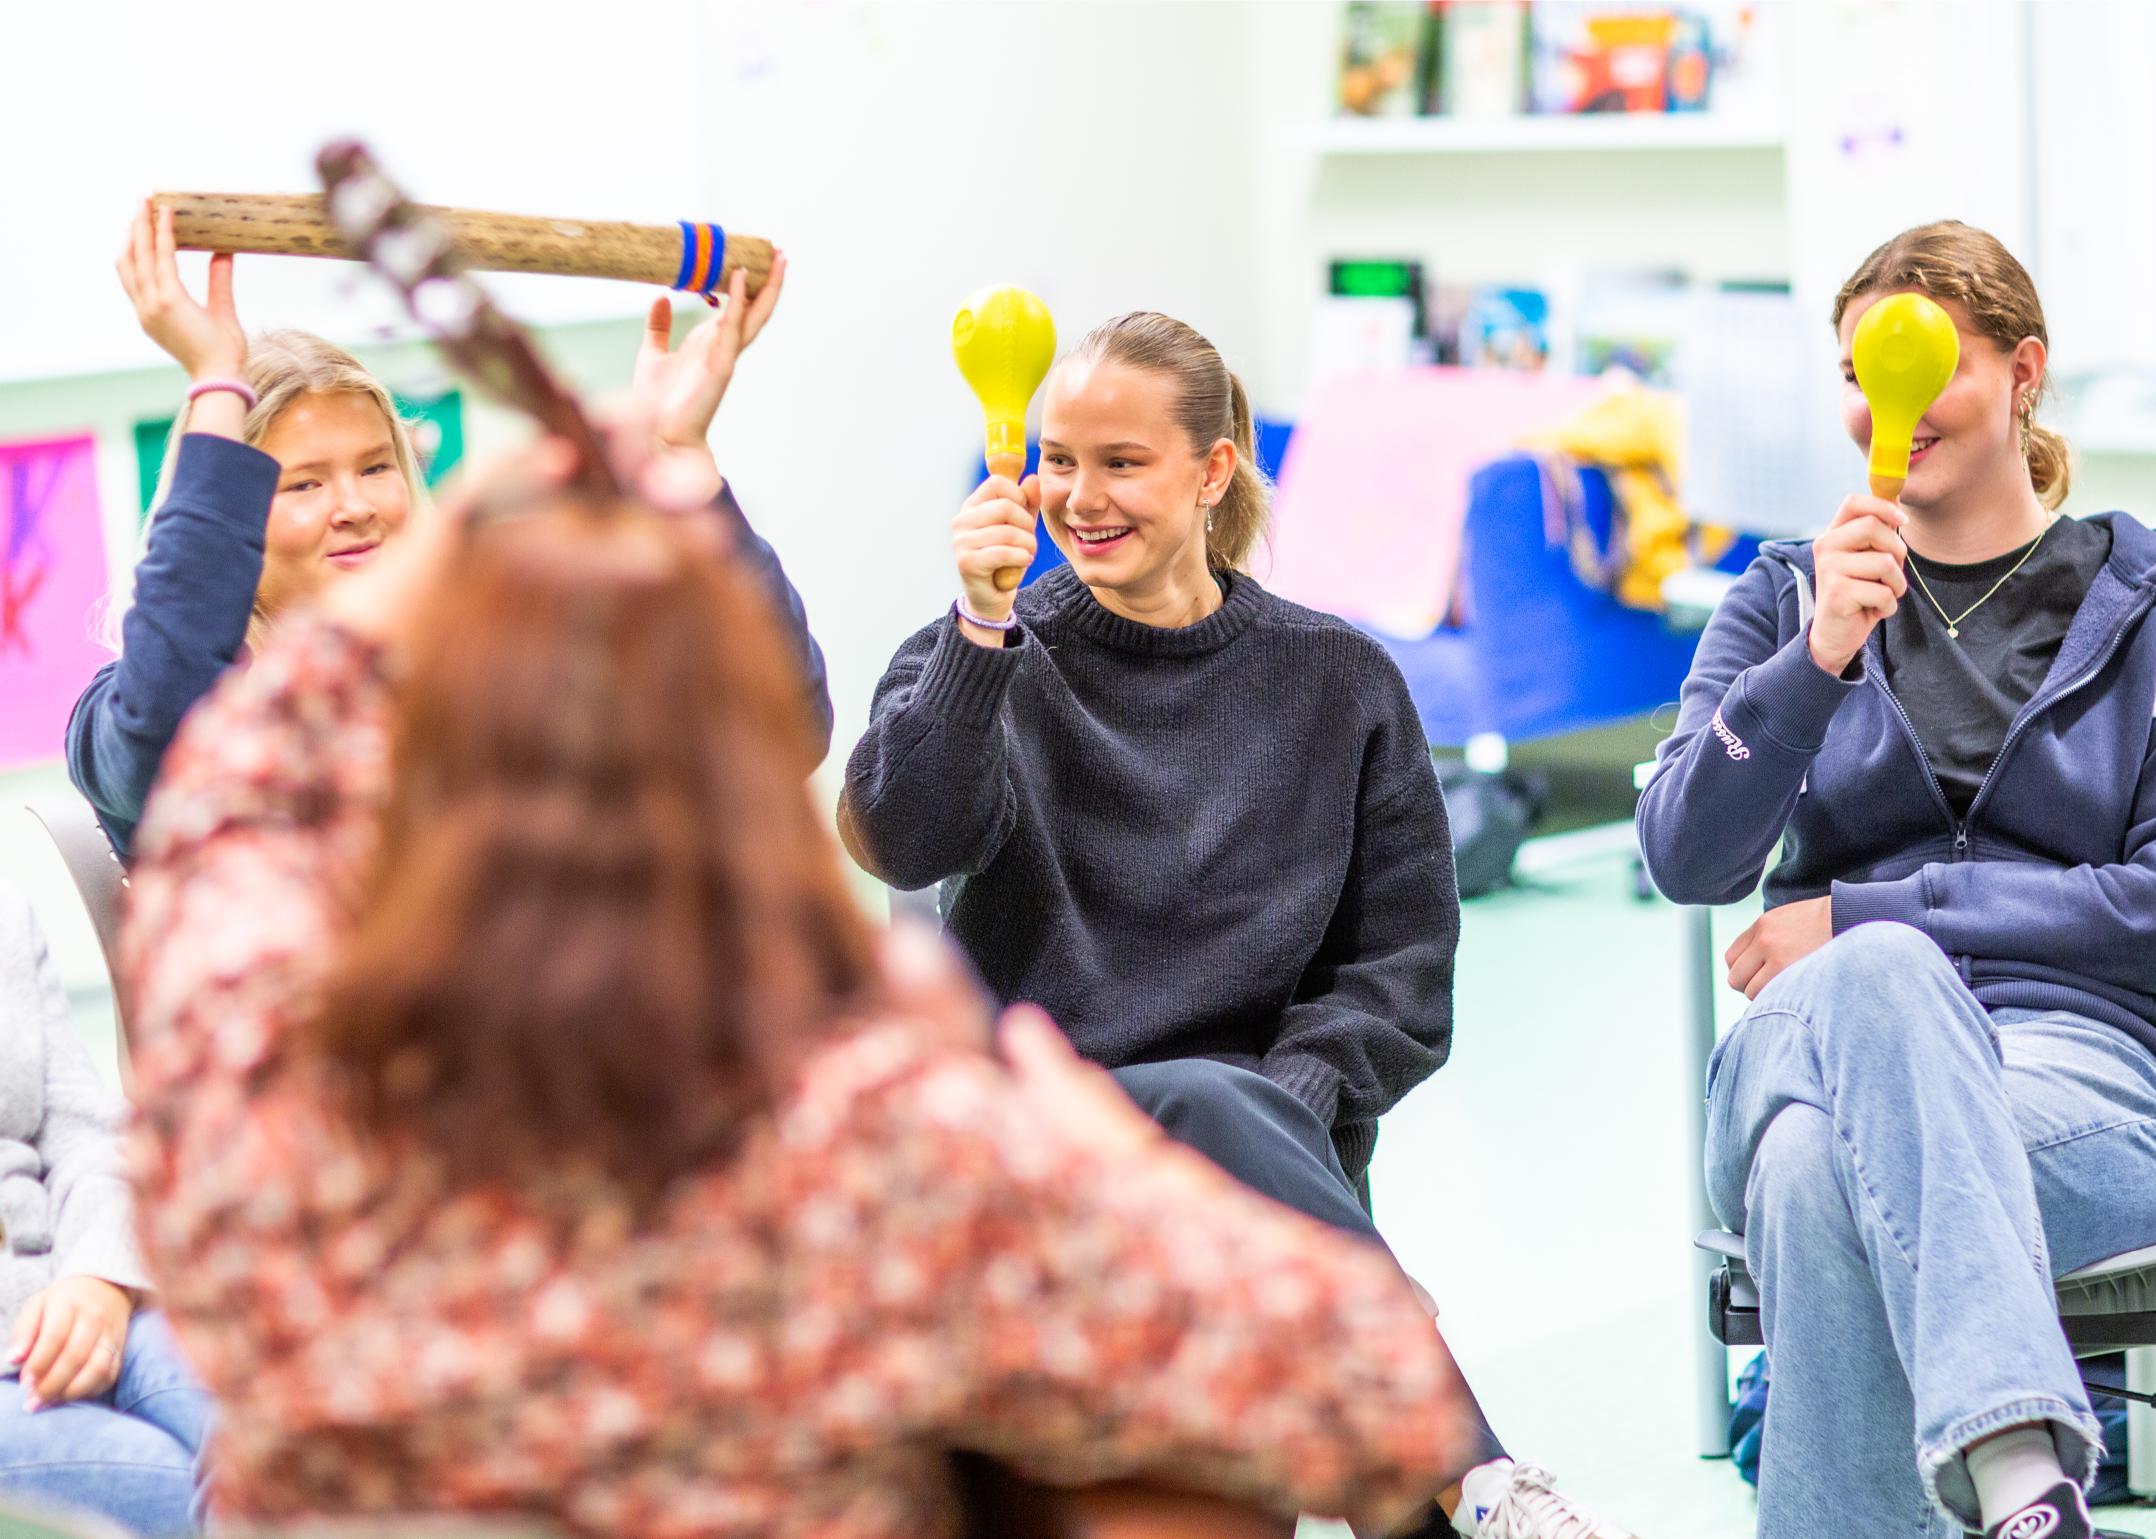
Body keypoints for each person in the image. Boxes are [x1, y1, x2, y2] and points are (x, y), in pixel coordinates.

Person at [120, 423, 1478, 1538]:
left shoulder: (255, 1084)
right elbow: (1350, 1378)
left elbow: (232, 774)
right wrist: (1078, 1157)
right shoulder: (849, 1154)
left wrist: (471, 538)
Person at [841, 311, 1638, 1539]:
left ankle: (1446, 1482)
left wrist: (1284, 1119)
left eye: (1120, 462)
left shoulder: (1342, 682)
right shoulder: (985, 652)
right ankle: (1476, 1474)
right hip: (1047, 1141)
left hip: (1268, 1152)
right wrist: (981, 629)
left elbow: (1404, 978)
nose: (1077, 496)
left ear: (1214, 471)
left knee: (1223, 1113)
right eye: (1058, 460)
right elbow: (901, 838)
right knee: (1217, 1119)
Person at [1638, 221, 2156, 1539]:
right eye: (1862, 378)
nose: (1888, 408)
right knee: (1865, 1003)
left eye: (1924, 368)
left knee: (1820, 1168)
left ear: (2025, 373)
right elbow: (1687, 857)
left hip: (2092, 1093)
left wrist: (1870, 912)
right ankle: (2024, 1475)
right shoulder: (1783, 599)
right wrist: (1811, 665)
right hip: (1804, 1053)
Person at [71, 198, 828, 858]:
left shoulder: (485, 663)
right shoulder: (149, 708)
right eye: (301, 483)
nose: (355, 505)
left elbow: (780, 732)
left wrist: (681, 459)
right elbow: (165, 744)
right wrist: (214, 380)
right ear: (221, 503)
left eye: (375, 467)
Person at [0, 887, 210, 1537]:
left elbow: (88, 1134)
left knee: (274, 1432)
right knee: (175, 1490)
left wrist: (101, 1276)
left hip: (69, 1293)